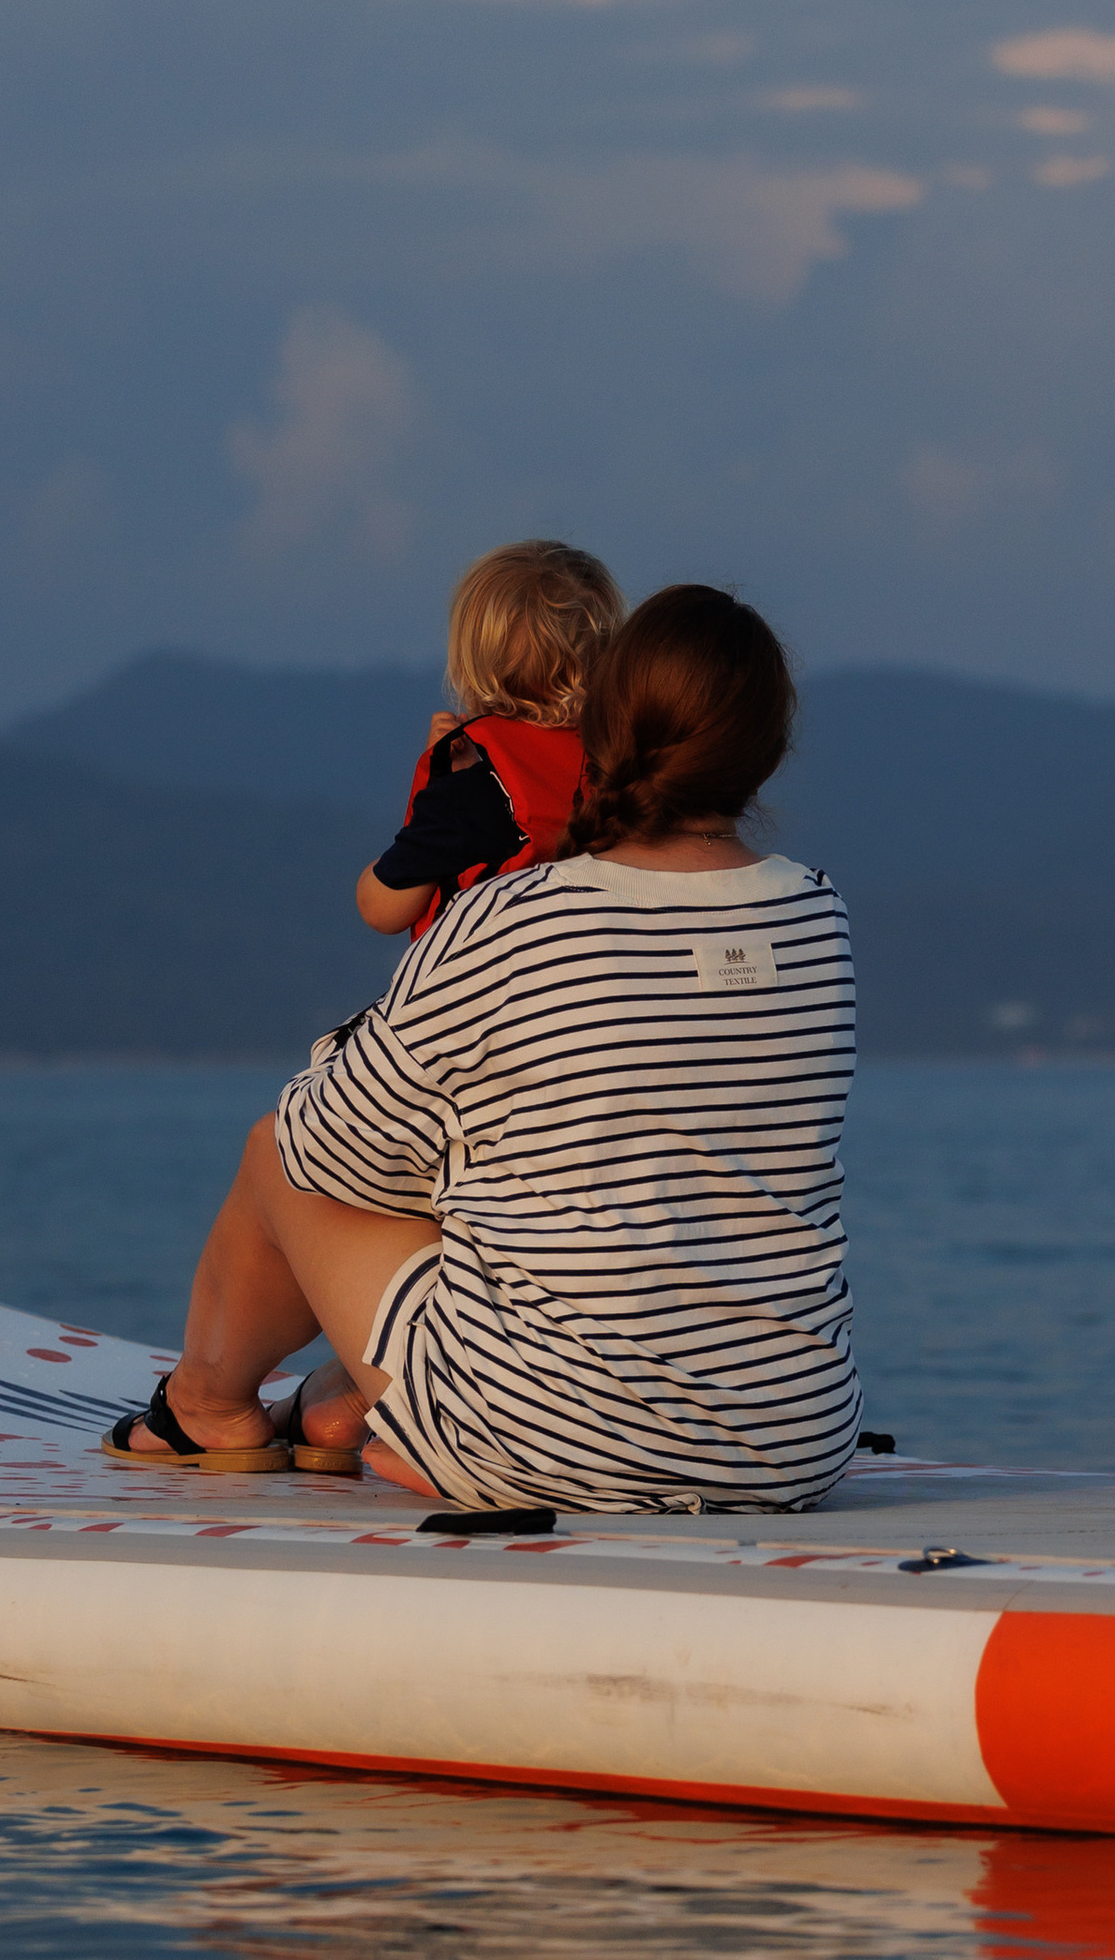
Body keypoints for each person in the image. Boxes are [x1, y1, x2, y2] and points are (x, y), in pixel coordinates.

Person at [106, 584, 861, 1510]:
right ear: (770, 750)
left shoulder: (513, 919)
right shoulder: (817, 917)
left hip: (556, 1442)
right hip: (792, 1444)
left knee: (278, 1151)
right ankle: (340, 1405)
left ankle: (206, 1407)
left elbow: (329, 1143)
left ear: (602, 726)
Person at [355, 539, 623, 940]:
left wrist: (441, 784)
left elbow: (382, 910)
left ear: (475, 665)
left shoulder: (470, 787)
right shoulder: (625, 761)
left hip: (495, 973)